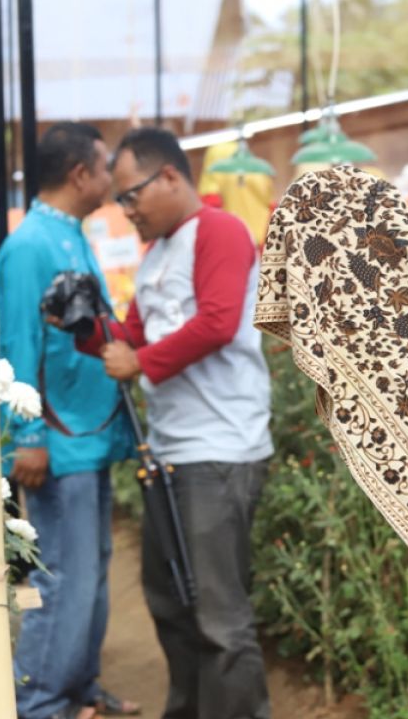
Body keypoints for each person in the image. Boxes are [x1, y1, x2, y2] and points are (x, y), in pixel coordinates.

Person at [76, 126, 274, 719]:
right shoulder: (159, 253)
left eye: (131, 195)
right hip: (171, 453)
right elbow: (132, 337)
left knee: (218, 615)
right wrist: (83, 327)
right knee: (171, 603)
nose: (127, 210)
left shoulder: (220, 232)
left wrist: (138, 361)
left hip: (220, 452)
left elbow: (215, 322)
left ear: (169, 177)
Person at [0, 122, 139, 719]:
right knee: (64, 579)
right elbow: (16, 345)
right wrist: (25, 437)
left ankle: (79, 686)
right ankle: (38, 703)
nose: (112, 179)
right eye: (106, 168)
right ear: (81, 174)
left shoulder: (72, 235)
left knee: (93, 571)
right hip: (54, 444)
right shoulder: (29, 245)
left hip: (88, 436)